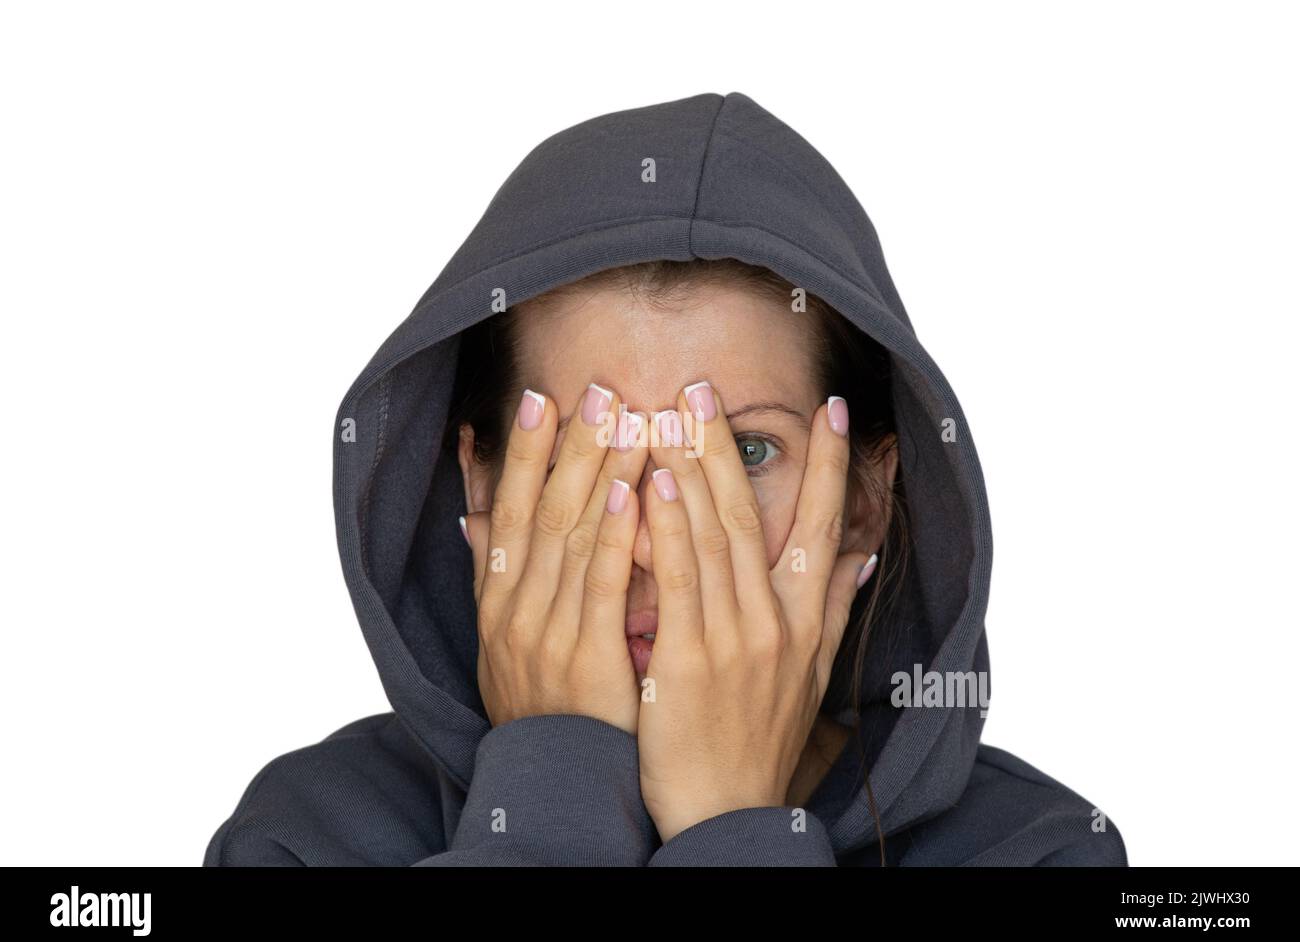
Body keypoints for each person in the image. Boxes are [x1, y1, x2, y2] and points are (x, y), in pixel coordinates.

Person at [204, 91, 1127, 866]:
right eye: (582, 458)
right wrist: (553, 794)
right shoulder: (304, 837)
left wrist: (737, 827)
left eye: (746, 453)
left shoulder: (1041, 852)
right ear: (481, 488)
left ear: (862, 502)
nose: (652, 546)